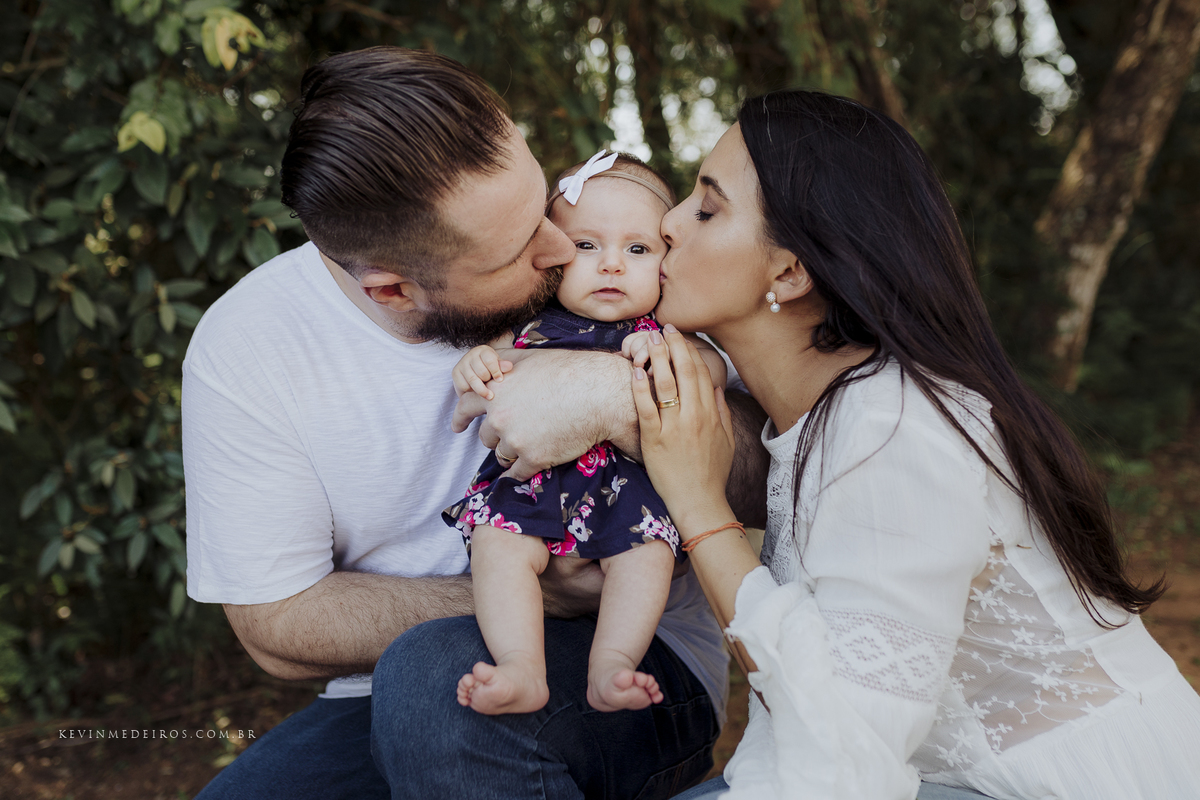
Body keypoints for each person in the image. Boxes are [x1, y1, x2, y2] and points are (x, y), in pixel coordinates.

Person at [183, 47, 768, 800]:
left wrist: (612, 395)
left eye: (541, 206)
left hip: (633, 660)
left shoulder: (612, 255)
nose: (564, 249)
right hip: (398, 690)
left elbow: (775, 473)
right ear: (393, 288)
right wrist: (532, 592)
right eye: (523, 248)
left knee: (431, 685)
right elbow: (277, 622)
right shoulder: (250, 346)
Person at [627, 90, 1200, 800]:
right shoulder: (832, 404)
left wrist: (698, 503)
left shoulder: (888, 428)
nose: (668, 224)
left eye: (707, 209)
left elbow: (844, 752)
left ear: (789, 273)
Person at [445, 151, 728, 716]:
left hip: (631, 495)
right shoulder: (528, 325)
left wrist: (665, 356)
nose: (612, 266)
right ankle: (522, 665)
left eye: (638, 249)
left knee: (646, 556)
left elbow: (714, 372)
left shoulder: (670, 330)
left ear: (667, 263)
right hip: (530, 486)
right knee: (496, 547)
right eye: (586, 246)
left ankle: (613, 663)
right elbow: (491, 368)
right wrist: (476, 363)